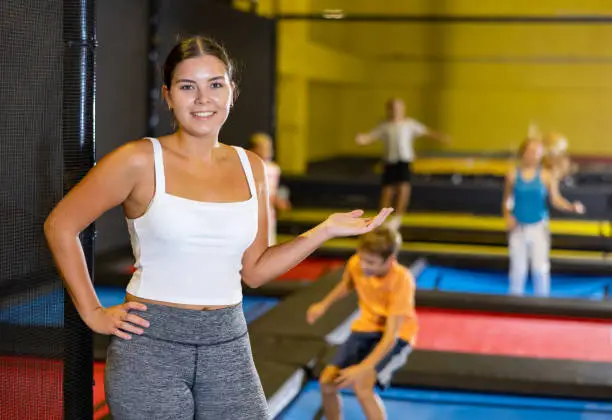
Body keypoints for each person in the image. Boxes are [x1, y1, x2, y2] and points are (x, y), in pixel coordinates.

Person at [43, 35, 393, 419]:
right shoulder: (139, 160)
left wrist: (324, 230)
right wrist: (93, 311)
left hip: (228, 341)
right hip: (151, 344)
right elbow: (61, 225)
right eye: (187, 86)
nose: (202, 98)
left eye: (215, 84)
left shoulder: (252, 167)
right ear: (168, 96)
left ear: (232, 91)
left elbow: (256, 270)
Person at [306, 225, 417, 420]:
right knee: (327, 383)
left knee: (362, 387)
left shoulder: (402, 280)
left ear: (390, 261)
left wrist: (363, 367)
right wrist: (323, 305)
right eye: (362, 259)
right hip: (366, 327)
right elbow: (347, 284)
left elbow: (391, 336)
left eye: (371, 262)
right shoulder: (357, 263)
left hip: (398, 335)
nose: (364, 266)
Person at [502, 137, 585, 297]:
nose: (534, 156)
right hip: (518, 227)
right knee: (518, 270)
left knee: (540, 269)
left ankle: (543, 306)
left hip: (538, 227)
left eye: (537, 152)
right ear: (524, 153)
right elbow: (507, 199)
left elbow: (556, 199)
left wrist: (571, 206)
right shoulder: (513, 175)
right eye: (531, 151)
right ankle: (514, 307)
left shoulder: (546, 176)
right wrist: (507, 215)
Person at [355, 98, 449, 229]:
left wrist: (440, 137)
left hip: (404, 160)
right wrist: (362, 139)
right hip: (390, 160)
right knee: (387, 190)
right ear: (389, 110)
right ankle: (382, 217)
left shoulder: (410, 124)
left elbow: (426, 131)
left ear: (403, 109)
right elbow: (371, 136)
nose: (396, 111)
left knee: (403, 187)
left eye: (398, 108)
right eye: (393, 108)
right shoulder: (385, 126)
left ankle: (398, 217)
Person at [249, 132, 291, 245]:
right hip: (253, 210)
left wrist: (280, 199)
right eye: (263, 148)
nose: (267, 151)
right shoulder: (249, 167)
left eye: (269, 147)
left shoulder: (274, 168)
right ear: (253, 149)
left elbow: (277, 189)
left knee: (268, 239)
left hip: (268, 212)